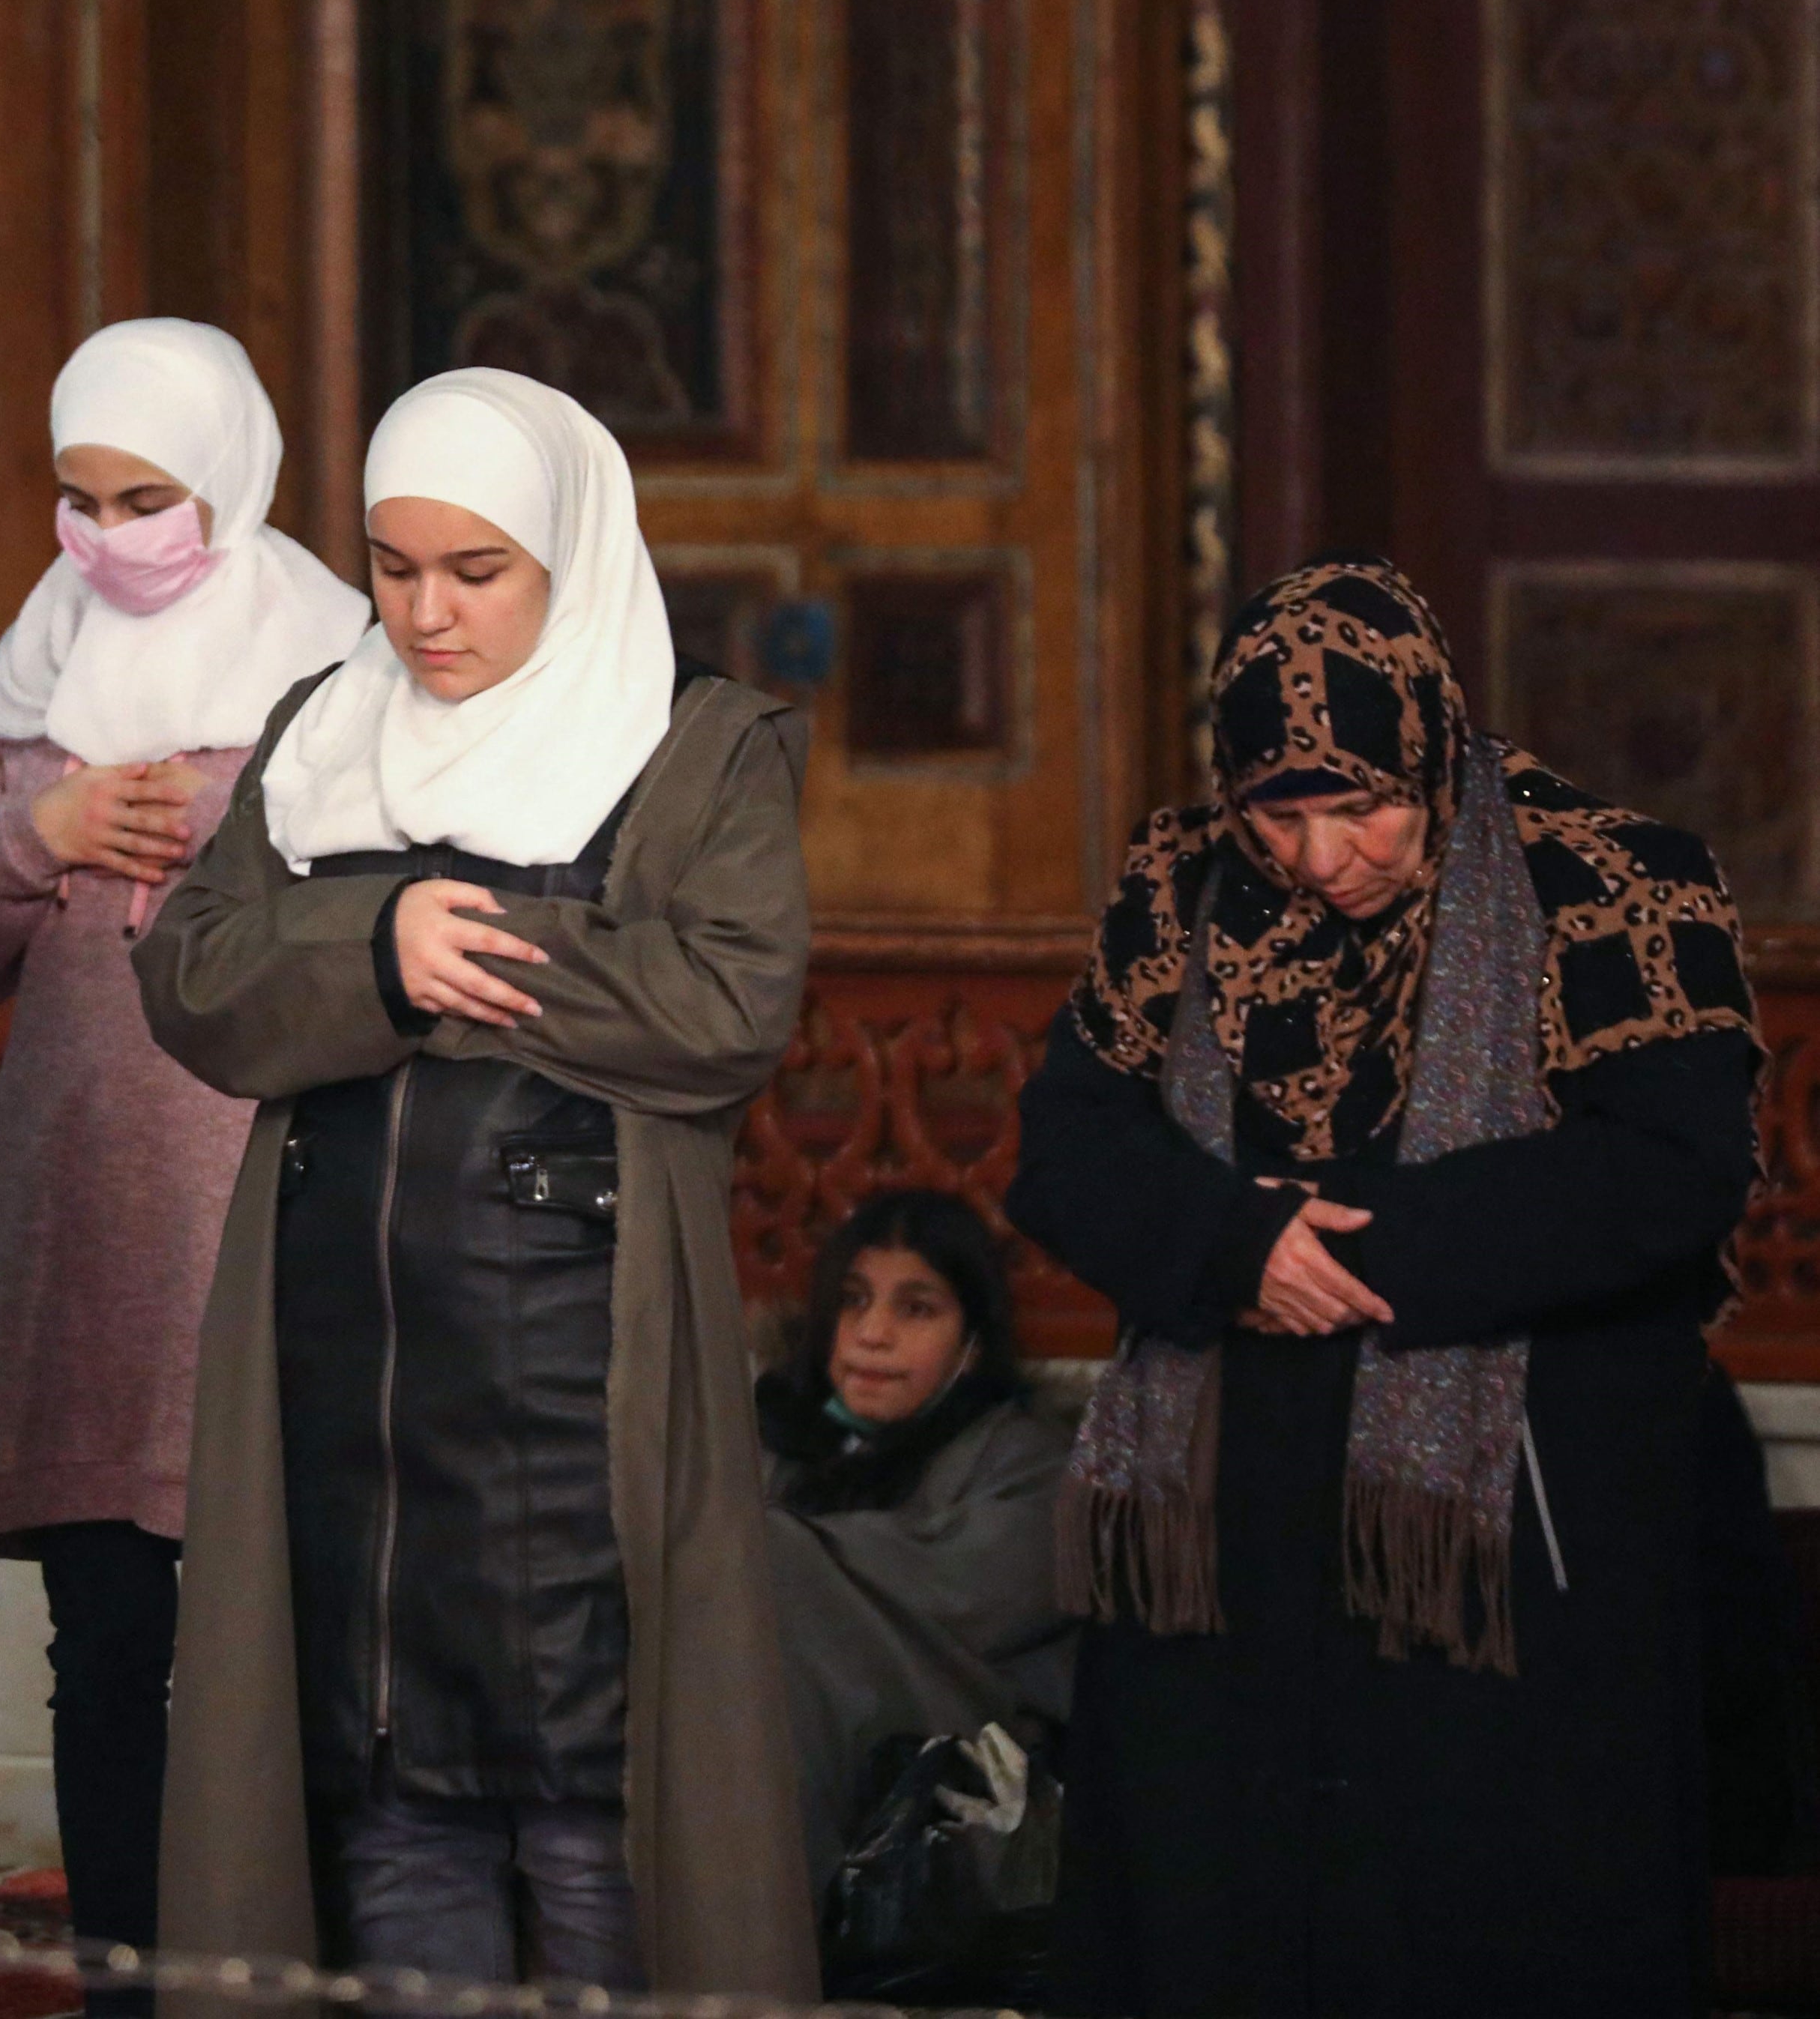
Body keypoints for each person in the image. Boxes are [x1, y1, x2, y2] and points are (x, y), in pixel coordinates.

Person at [133, 366, 819, 2001]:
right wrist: (375, 941)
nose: (426, 613)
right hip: (344, 1400)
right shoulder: (325, 727)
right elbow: (193, 972)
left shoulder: (692, 744)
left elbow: (728, 1007)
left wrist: (456, 950)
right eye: (392, 564)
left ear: (566, 554)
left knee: (592, 1816)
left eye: (475, 570)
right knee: (389, 1801)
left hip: (578, 1392)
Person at [1006, 556, 1761, 2018]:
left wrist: (1346, 1252)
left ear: (1426, 746)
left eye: (1363, 806)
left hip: (1509, 1559)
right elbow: (1066, 1143)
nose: (1321, 855)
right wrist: (1233, 1251)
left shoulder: (1607, 878)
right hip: (1229, 1546)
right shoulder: (1184, 885)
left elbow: (1671, 1171)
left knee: (1477, 1931)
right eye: (1279, 813)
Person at [0, 316, 363, 1995]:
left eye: (147, 496)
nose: (111, 536)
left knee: (276, 1639)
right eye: (81, 497)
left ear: (232, 480)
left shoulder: (334, 661)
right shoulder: (35, 672)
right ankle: (125, 1975)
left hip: (263, 1217)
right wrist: (34, 839)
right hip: (84, 1221)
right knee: (106, 1641)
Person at [755, 1187, 1073, 1888]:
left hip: (947, 1756)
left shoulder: (1028, 1462)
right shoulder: (769, 1443)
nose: (872, 1333)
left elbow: (975, 1601)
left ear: (972, 1340)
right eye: (852, 1300)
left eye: (916, 1308)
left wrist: (784, 1556)